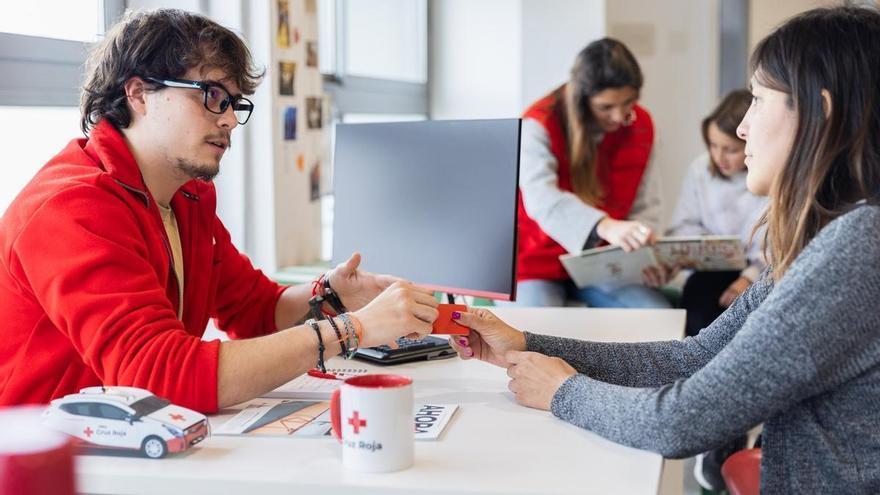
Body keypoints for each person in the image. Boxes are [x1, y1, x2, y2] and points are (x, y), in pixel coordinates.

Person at [449, 6, 880, 492]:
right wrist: (530, 344)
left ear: (821, 111)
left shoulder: (856, 250)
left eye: (758, 101)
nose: (742, 129)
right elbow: (695, 358)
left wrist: (560, 391)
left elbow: (680, 422)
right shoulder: (828, 237)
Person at [0, 9, 438, 414]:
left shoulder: (187, 196)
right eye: (210, 95)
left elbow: (256, 309)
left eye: (232, 102)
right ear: (139, 94)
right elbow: (163, 375)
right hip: (50, 458)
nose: (228, 119)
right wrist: (351, 330)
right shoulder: (71, 208)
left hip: (135, 441)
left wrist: (333, 296)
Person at [511, 38, 669, 308]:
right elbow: (541, 198)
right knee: (535, 334)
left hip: (603, 262)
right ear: (583, 100)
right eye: (606, 107)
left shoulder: (641, 125)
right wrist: (604, 226)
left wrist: (643, 253)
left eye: (629, 102)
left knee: (657, 313)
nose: (620, 116)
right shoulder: (539, 123)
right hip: (536, 260)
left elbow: (646, 203)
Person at [665, 90, 768, 337]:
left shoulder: (765, 175)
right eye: (713, 145)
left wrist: (748, 279)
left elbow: (774, 244)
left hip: (756, 268)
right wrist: (704, 245)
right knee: (698, 312)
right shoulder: (701, 169)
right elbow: (684, 223)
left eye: (730, 149)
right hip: (710, 266)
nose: (719, 157)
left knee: (742, 317)